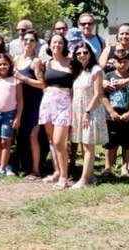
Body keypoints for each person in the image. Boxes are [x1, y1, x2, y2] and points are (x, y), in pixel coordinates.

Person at [99, 23, 129, 171]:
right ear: (117, 36)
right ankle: (110, 164)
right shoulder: (109, 50)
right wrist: (104, 81)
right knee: (111, 131)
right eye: (122, 33)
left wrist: (126, 82)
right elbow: (98, 69)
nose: (124, 36)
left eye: (128, 33)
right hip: (110, 97)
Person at [70, 41, 108, 188]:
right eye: (78, 53)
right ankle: (90, 176)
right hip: (79, 112)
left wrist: (87, 112)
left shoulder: (96, 70)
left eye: (85, 52)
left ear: (91, 53)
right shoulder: (80, 71)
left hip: (90, 112)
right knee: (83, 145)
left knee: (88, 147)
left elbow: (98, 94)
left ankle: (84, 180)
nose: (82, 55)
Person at [38, 34, 74, 189]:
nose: (57, 45)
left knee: (60, 141)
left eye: (60, 42)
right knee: (52, 140)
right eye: (54, 42)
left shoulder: (72, 63)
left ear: (64, 45)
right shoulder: (47, 63)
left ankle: (64, 177)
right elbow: (42, 83)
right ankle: (57, 171)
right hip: (48, 103)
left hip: (65, 103)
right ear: (49, 45)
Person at [101, 49, 129, 177]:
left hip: (128, 117)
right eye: (119, 62)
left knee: (127, 143)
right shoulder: (108, 76)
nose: (122, 64)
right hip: (111, 116)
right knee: (110, 143)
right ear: (114, 62)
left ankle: (125, 167)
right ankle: (108, 167)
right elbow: (103, 96)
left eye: (125, 62)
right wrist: (111, 111)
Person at [13, 29, 47, 179]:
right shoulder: (15, 60)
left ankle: (36, 169)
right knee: (22, 136)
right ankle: (24, 166)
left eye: (31, 40)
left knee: (34, 136)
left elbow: (42, 84)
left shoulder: (36, 61)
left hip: (35, 102)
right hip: (19, 103)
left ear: (36, 43)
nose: (28, 43)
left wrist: (23, 78)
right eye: (25, 40)